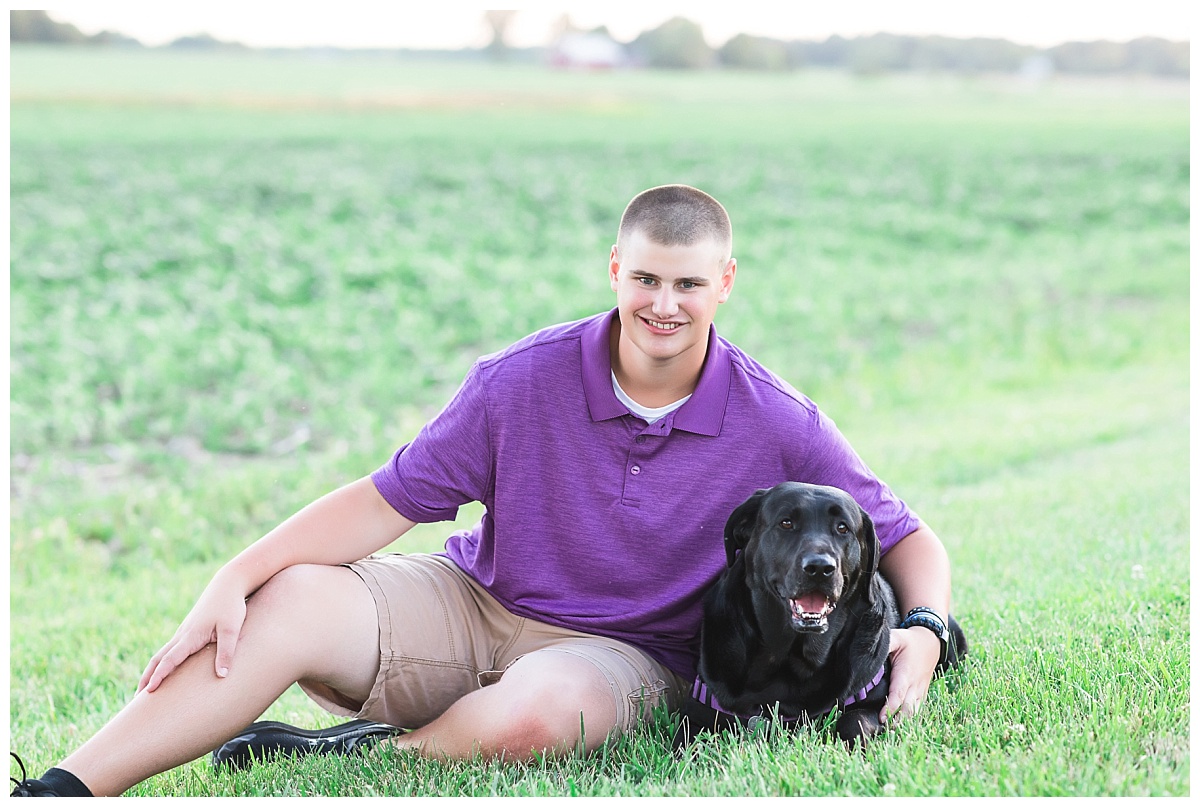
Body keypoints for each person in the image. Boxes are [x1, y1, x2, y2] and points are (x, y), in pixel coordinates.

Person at [11, 185, 955, 797]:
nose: (665, 304)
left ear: (726, 283)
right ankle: (65, 785)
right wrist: (236, 571)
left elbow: (907, 540)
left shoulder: (776, 418)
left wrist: (922, 629)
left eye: (690, 284)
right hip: (475, 602)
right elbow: (387, 500)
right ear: (615, 271)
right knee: (292, 594)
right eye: (648, 278)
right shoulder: (522, 379)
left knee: (544, 712)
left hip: (620, 656)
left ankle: (356, 757)